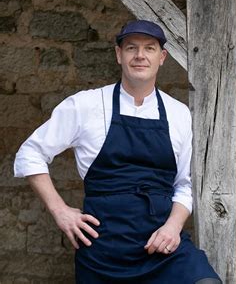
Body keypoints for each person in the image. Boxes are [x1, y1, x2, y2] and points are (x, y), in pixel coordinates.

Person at [14, 20, 221, 284]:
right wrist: (60, 211)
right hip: (104, 249)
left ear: (162, 57)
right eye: (131, 47)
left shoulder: (178, 113)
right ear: (118, 55)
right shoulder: (86, 105)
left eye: (150, 48)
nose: (140, 55)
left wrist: (173, 226)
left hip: (161, 244)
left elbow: (183, 184)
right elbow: (30, 153)